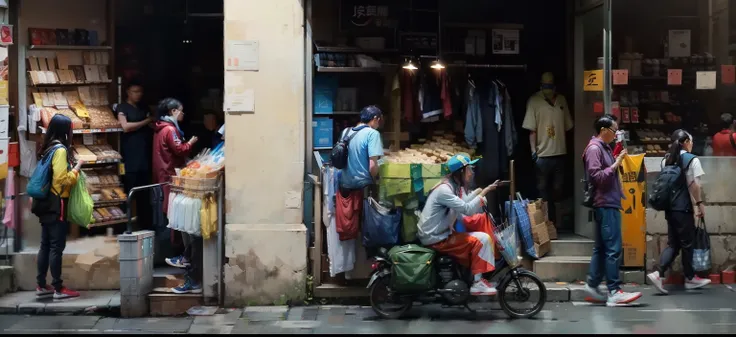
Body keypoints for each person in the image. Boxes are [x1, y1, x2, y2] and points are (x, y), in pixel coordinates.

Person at [417, 153, 501, 296]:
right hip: (436, 237)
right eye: (469, 169)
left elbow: (464, 204)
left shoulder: (453, 187)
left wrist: (479, 192)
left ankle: (472, 278)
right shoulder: (445, 190)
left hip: (440, 234)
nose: (471, 173)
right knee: (483, 239)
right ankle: (477, 283)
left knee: (479, 237)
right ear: (461, 172)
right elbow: (467, 209)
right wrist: (484, 192)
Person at [582, 115, 642, 306]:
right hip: (606, 204)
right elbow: (597, 176)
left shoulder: (603, 148)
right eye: (614, 130)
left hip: (608, 202)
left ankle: (592, 284)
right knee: (612, 249)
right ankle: (614, 291)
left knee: (602, 248)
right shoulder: (594, 148)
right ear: (603, 130)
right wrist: (616, 163)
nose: (616, 134)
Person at [646, 130, 711, 294]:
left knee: (674, 243)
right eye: (691, 141)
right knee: (687, 243)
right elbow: (696, 186)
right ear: (687, 142)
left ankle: (662, 274)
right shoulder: (692, 160)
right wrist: (700, 204)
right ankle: (687, 278)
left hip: (670, 208)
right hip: (683, 208)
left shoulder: (665, 160)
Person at [151, 98, 202, 294]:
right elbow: (179, 149)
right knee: (180, 223)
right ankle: (181, 256)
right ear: (173, 112)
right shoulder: (170, 130)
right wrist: (190, 142)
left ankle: (181, 257)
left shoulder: (160, 129)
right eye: (181, 111)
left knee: (174, 218)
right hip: (172, 178)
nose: (182, 115)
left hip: (165, 176)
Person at [31, 114, 84, 299]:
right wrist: (77, 169)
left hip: (45, 202)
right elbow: (61, 179)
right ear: (65, 130)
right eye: (70, 128)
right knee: (56, 246)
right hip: (57, 202)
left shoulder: (48, 147)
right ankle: (58, 288)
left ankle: (41, 284)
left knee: (45, 244)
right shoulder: (60, 150)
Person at [522, 72, 574, 230]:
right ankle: (544, 224)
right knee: (542, 191)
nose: (548, 89)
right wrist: (533, 152)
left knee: (558, 190)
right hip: (542, 155)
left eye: (550, 86)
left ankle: (557, 223)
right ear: (540, 85)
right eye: (545, 86)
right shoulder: (534, 101)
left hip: (559, 153)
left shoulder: (561, 100)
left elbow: (568, 126)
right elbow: (531, 129)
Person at [335, 106, 384, 241]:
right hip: (362, 188)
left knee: (351, 224)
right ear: (374, 119)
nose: (378, 124)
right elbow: (372, 165)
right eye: (379, 121)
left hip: (344, 185)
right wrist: (377, 179)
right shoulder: (372, 134)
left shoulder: (346, 132)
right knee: (366, 226)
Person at [117, 81, 153, 230]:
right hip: (129, 157)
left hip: (144, 157)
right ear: (128, 92)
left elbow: (152, 123)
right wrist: (146, 121)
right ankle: (125, 225)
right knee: (128, 191)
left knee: (144, 193)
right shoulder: (122, 108)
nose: (138, 95)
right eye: (134, 91)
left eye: (140, 92)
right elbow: (125, 127)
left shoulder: (144, 107)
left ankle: (145, 224)